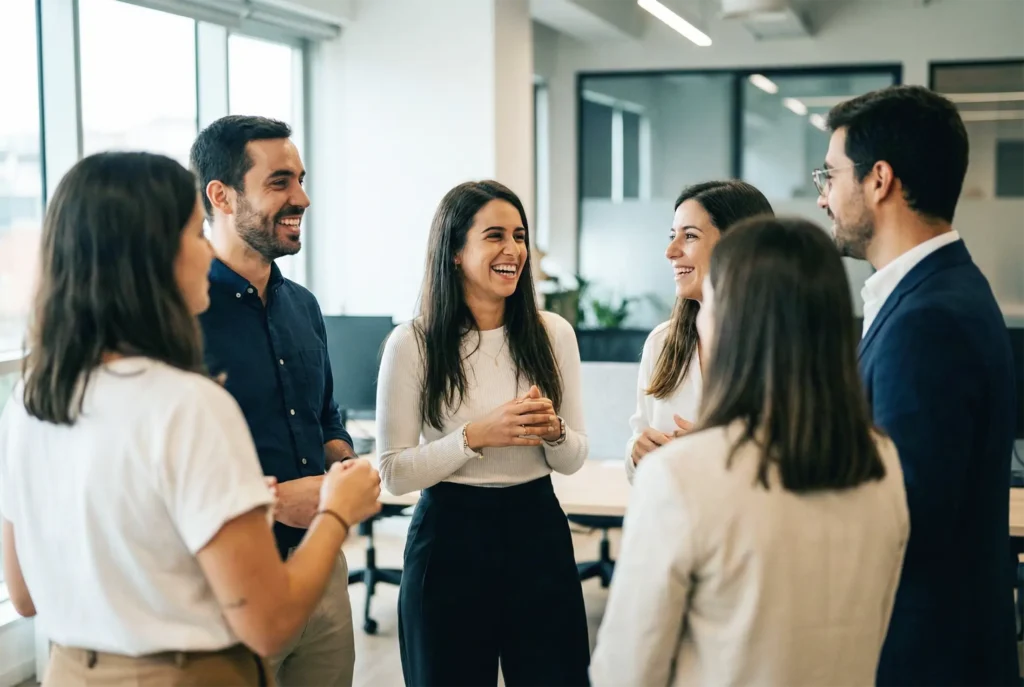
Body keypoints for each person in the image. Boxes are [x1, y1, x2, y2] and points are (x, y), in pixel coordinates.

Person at [0, 152, 381, 686]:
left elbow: (25, 594)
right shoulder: (188, 404)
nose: (207, 252)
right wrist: (337, 512)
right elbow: (269, 624)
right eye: (192, 233)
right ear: (149, 259)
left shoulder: (30, 403)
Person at [590, 216, 909, 687]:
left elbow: (625, 672)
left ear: (735, 323)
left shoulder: (682, 477)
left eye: (711, 302)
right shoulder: (880, 460)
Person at [819, 85, 1018, 686]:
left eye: (830, 175)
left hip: (924, 654)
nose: (824, 198)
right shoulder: (939, 289)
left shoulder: (928, 318)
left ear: (879, 180)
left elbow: (902, 517)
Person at [376, 181, 590, 686]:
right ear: (454, 251)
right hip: (450, 536)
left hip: (536, 531)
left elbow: (574, 457)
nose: (513, 250)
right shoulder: (413, 343)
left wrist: (554, 432)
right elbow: (394, 474)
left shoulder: (553, 333)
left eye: (519, 236)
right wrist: (472, 437)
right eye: (494, 235)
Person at [190, 115, 362, 687]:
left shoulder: (304, 306)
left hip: (323, 569)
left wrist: (341, 458)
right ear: (221, 195)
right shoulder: (180, 318)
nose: (303, 198)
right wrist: (274, 501)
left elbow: (325, 417)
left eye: (302, 179)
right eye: (280, 182)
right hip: (230, 585)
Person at [626, 180, 773, 483]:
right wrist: (636, 453)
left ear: (737, 245)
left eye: (689, 236)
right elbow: (637, 455)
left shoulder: (785, 345)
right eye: (672, 236)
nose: (670, 251)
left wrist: (720, 453)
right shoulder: (662, 342)